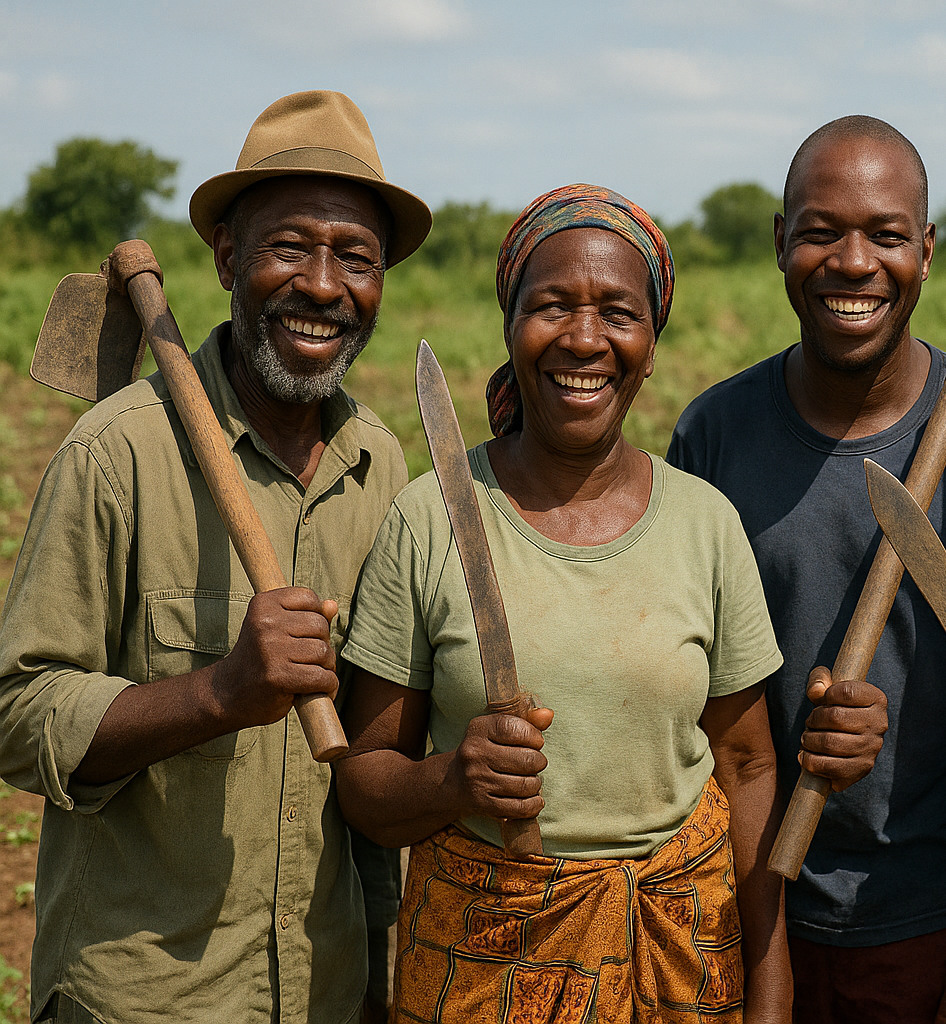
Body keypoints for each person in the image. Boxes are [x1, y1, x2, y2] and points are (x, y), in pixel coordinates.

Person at [0, 90, 430, 1023]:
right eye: (289, 247)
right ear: (230, 258)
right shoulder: (117, 454)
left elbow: (374, 749)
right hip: (142, 997)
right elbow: (16, 709)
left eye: (356, 257)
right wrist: (220, 693)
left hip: (325, 987)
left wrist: (377, 979)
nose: (324, 285)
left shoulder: (383, 468)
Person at [334, 184, 791, 1024]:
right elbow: (364, 783)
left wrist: (770, 978)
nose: (584, 339)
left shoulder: (705, 523)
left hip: (683, 958)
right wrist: (450, 780)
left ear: (651, 344)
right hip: (483, 962)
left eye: (618, 312)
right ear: (511, 330)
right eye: (551, 307)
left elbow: (750, 766)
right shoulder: (432, 516)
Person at [668, 116, 946, 1023]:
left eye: (885, 234)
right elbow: (687, 687)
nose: (853, 262)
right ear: (779, 242)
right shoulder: (713, 435)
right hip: (744, 903)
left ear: (927, 248)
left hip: (928, 918)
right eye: (821, 230)